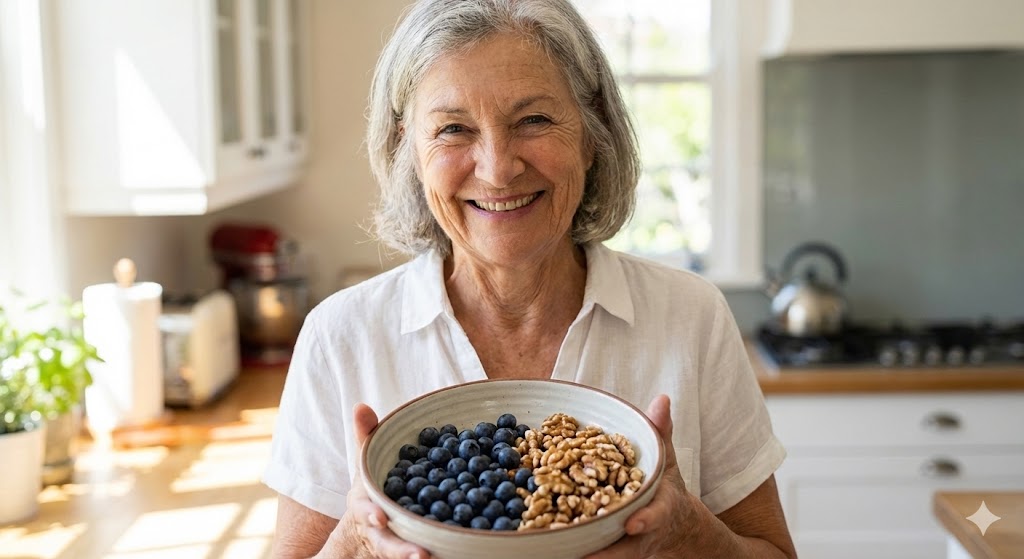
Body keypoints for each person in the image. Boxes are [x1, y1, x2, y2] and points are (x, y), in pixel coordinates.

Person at [263, 0, 796, 557]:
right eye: (452, 129)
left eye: (534, 120)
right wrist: (356, 539)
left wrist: (689, 533)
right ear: (409, 150)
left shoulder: (691, 316)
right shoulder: (340, 336)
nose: (497, 168)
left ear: (593, 130)